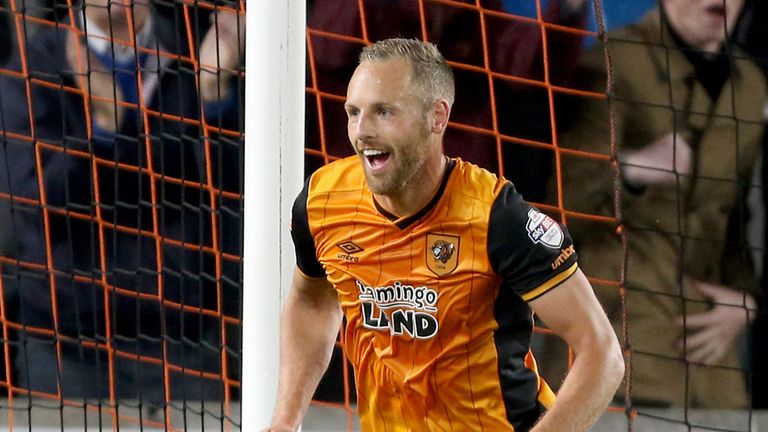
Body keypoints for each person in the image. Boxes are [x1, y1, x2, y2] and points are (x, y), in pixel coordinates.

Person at [267, 38, 623, 432]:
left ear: (437, 117)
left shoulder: (496, 217)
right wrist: (286, 420)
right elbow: (312, 301)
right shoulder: (323, 201)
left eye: (383, 111)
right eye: (354, 112)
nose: (361, 131)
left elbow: (603, 353)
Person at [0, 0, 242, 407]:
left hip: (182, 337)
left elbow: (234, 197)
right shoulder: (32, 66)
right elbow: (36, 200)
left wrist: (215, 95)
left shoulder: (197, 51)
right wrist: (105, 131)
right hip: (67, 344)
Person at [548, 0, 765, 408]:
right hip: (622, 333)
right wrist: (631, 170)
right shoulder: (614, 62)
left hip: (709, 354)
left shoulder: (751, 87)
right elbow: (557, 205)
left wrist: (746, 301)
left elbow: (737, 220)